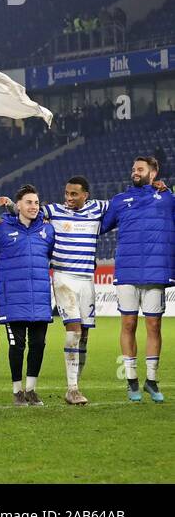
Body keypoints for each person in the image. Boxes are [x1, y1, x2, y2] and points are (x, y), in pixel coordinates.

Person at [0, 175, 109, 405]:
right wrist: (10, 206)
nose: (68, 198)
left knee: (84, 336)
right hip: (63, 278)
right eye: (66, 193)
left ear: (85, 195)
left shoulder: (98, 208)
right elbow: (28, 211)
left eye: (74, 194)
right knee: (74, 331)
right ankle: (71, 388)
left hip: (87, 279)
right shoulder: (53, 212)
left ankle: (74, 385)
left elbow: (120, 207)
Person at [99, 155, 174, 402]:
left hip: (155, 271)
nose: (135, 172)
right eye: (133, 168)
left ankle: (151, 381)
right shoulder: (120, 201)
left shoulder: (167, 198)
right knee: (128, 324)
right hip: (128, 272)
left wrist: (168, 189)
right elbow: (100, 226)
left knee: (154, 326)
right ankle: (131, 381)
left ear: (153, 173)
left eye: (140, 169)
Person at [0, 185, 55, 407]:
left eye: (36, 203)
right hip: (13, 300)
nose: (33, 207)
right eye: (28, 202)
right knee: (17, 346)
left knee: (38, 345)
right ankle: (17, 391)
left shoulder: (47, 231)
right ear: (17, 205)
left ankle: (31, 390)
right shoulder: (1, 231)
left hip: (39, 299)